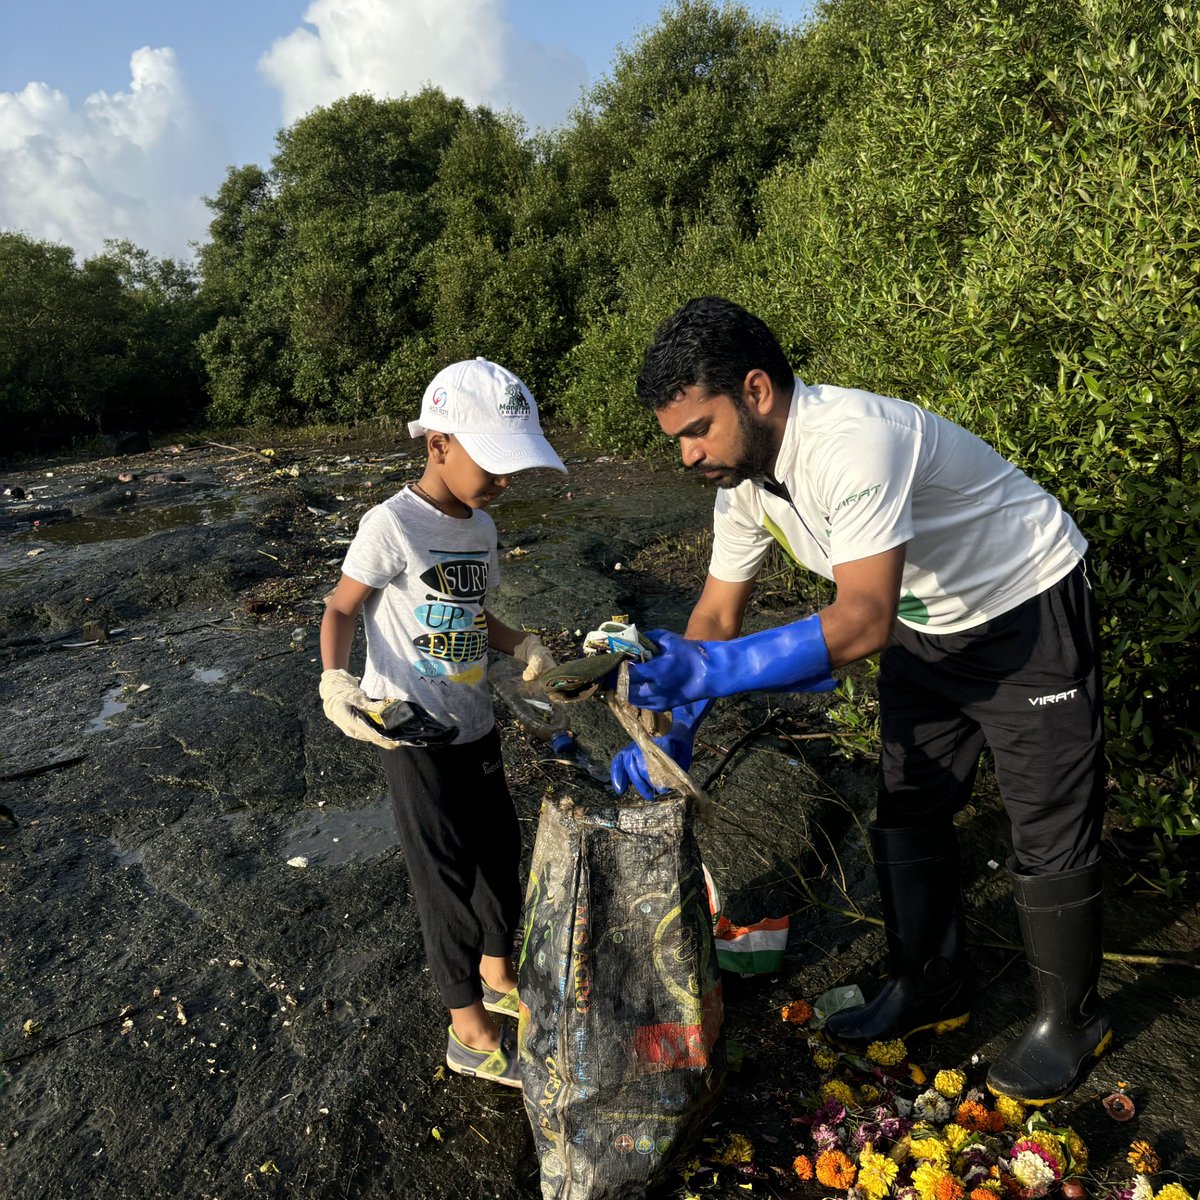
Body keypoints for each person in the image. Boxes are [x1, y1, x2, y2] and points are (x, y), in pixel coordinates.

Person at [610, 296, 1108, 1106]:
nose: (689, 454)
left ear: (756, 391)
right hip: (927, 621)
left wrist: (712, 672)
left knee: (1047, 818)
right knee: (909, 801)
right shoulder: (745, 486)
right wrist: (673, 734)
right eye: (677, 441)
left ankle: (1069, 1023)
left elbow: (863, 620)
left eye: (698, 429)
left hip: (1025, 608)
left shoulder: (853, 441)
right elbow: (715, 618)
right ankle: (929, 985)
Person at [319, 357, 566, 1089]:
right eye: (493, 462)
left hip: (473, 719)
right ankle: (468, 1028)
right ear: (438, 445)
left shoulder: (481, 527)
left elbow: (473, 614)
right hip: (411, 731)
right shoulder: (391, 524)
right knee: (444, 874)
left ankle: (496, 970)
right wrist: (335, 680)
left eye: (513, 466)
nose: (504, 481)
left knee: (499, 850)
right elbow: (341, 607)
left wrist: (520, 644)